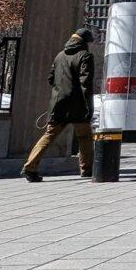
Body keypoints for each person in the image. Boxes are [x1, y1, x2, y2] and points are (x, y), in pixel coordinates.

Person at [20, 28, 96, 182]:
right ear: (85, 42)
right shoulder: (85, 56)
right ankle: (87, 169)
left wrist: (60, 90)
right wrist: (89, 105)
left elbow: (50, 78)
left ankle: (30, 167)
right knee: (85, 137)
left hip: (58, 103)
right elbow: (85, 83)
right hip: (77, 104)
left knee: (49, 135)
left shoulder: (59, 56)